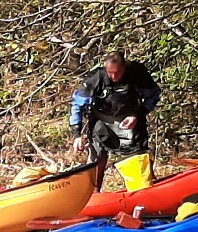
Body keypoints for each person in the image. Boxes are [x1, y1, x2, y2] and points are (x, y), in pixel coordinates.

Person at [69, 51, 161, 194]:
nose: (113, 77)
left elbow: (154, 95)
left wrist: (138, 114)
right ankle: (93, 195)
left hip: (131, 122)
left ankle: (146, 191)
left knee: (140, 159)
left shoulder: (137, 73)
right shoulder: (96, 78)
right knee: (97, 159)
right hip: (101, 122)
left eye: (117, 73)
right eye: (110, 73)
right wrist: (77, 134)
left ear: (124, 67)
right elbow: (77, 105)